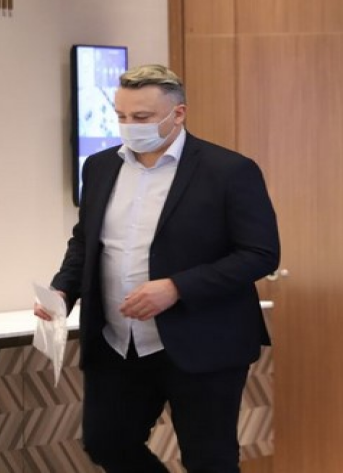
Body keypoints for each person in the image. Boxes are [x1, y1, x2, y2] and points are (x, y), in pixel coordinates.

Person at [35, 64, 280, 473]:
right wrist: (62, 290)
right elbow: (85, 242)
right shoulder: (99, 167)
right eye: (121, 115)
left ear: (177, 114)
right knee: (106, 444)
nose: (129, 126)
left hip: (202, 340)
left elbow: (260, 253)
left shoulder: (229, 170)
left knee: (209, 460)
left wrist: (177, 287)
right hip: (118, 342)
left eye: (142, 117)